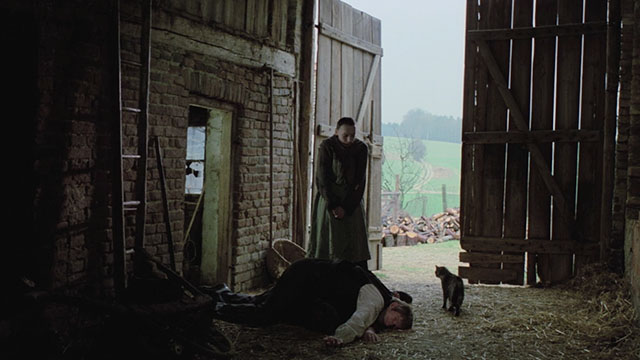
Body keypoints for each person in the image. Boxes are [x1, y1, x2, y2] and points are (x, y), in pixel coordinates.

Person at [207, 258, 413, 346]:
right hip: (304, 279)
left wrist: (372, 328)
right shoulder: (376, 299)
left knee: (261, 300)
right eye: (395, 321)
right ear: (394, 306)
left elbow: (370, 319)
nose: (391, 326)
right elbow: (359, 320)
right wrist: (340, 338)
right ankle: (213, 308)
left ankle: (219, 292)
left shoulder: (382, 297)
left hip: (306, 275)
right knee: (265, 314)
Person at [308, 117, 370, 270]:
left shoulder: (361, 149)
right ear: (337, 132)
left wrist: (347, 207)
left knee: (353, 245)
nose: (349, 139)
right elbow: (322, 179)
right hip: (330, 201)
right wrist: (334, 205)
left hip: (351, 203)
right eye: (345, 136)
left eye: (352, 135)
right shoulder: (327, 147)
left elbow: (360, 182)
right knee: (329, 244)